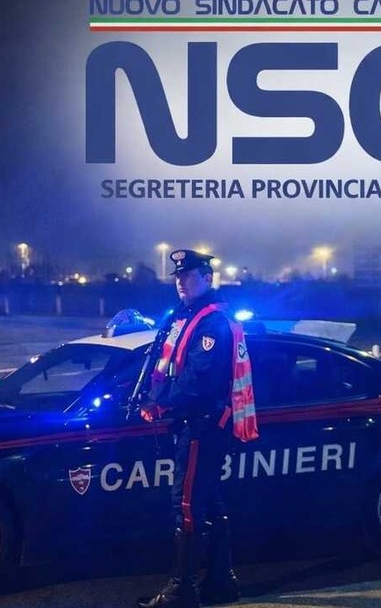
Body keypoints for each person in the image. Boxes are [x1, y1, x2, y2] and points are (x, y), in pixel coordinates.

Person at [137, 249, 252, 608]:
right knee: (209, 501)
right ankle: (221, 581)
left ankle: (181, 590)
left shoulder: (212, 322)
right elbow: (169, 366)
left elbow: (197, 382)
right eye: (178, 276)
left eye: (189, 276)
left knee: (186, 506)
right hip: (196, 423)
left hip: (201, 426)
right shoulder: (188, 317)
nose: (181, 282)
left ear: (207, 278)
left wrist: (159, 404)